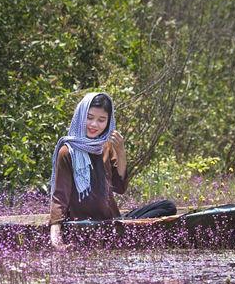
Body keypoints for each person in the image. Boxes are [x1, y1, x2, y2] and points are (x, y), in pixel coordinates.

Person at [49, 92, 176, 249]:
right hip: (84, 224)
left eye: (101, 120)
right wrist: (56, 238)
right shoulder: (67, 152)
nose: (94, 124)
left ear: (108, 122)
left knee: (168, 206)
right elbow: (60, 196)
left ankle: (125, 230)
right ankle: (128, 233)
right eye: (89, 117)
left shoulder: (106, 146)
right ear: (80, 116)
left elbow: (120, 187)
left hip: (112, 219)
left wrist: (121, 151)